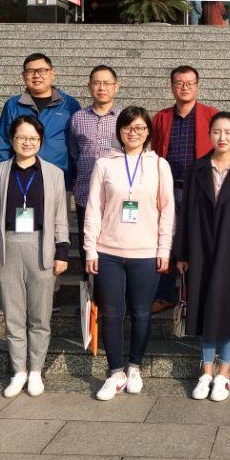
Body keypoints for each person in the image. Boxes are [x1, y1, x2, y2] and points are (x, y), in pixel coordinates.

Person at [83, 107, 175, 401]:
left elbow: (167, 210)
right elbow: (93, 208)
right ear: (119, 131)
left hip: (146, 252)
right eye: (127, 127)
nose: (133, 133)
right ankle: (115, 372)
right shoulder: (104, 164)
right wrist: (90, 248)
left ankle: (134, 367)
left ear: (148, 132)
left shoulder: (159, 165)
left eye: (139, 128)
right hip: (108, 251)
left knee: (141, 312)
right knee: (111, 313)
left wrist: (164, 248)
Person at [0, 117, 70, 399]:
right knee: (13, 315)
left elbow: (60, 216)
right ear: (12, 140)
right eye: (21, 137)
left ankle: (36, 371)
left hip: (41, 247)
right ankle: (18, 370)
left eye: (33, 138)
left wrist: (62, 251)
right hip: (7, 246)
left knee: (40, 316)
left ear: (40, 141)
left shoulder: (54, 173)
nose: (27, 143)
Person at [175, 113, 230, 402]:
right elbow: (185, 213)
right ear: (209, 134)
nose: (222, 137)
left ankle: (224, 373)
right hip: (201, 248)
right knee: (204, 308)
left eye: (228, 132)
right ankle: (206, 371)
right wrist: (182, 252)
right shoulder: (197, 169)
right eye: (216, 132)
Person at [151, 65, 219, 313]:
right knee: (166, 239)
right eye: (179, 83)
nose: (184, 87)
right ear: (171, 87)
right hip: (170, 188)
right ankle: (166, 294)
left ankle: (197, 294)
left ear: (197, 87)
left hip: (201, 189)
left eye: (190, 83)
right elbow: (155, 151)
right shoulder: (161, 118)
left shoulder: (211, 115)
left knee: (199, 241)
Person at [0, 53, 82, 189]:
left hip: (60, 177)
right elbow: (3, 143)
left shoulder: (70, 105)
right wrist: (3, 174)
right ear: (24, 76)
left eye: (42, 70)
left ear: (52, 73)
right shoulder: (13, 105)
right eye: (31, 71)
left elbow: (77, 144)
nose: (36, 75)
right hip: (20, 178)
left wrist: (77, 175)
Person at [68, 65, 121, 283]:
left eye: (107, 83)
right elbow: (74, 153)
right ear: (89, 86)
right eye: (97, 83)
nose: (101, 88)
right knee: (86, 246)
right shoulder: (78, 118)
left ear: (116, 87)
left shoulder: (125, 118)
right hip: (85, 193)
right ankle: (89, 292)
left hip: (116, 195)